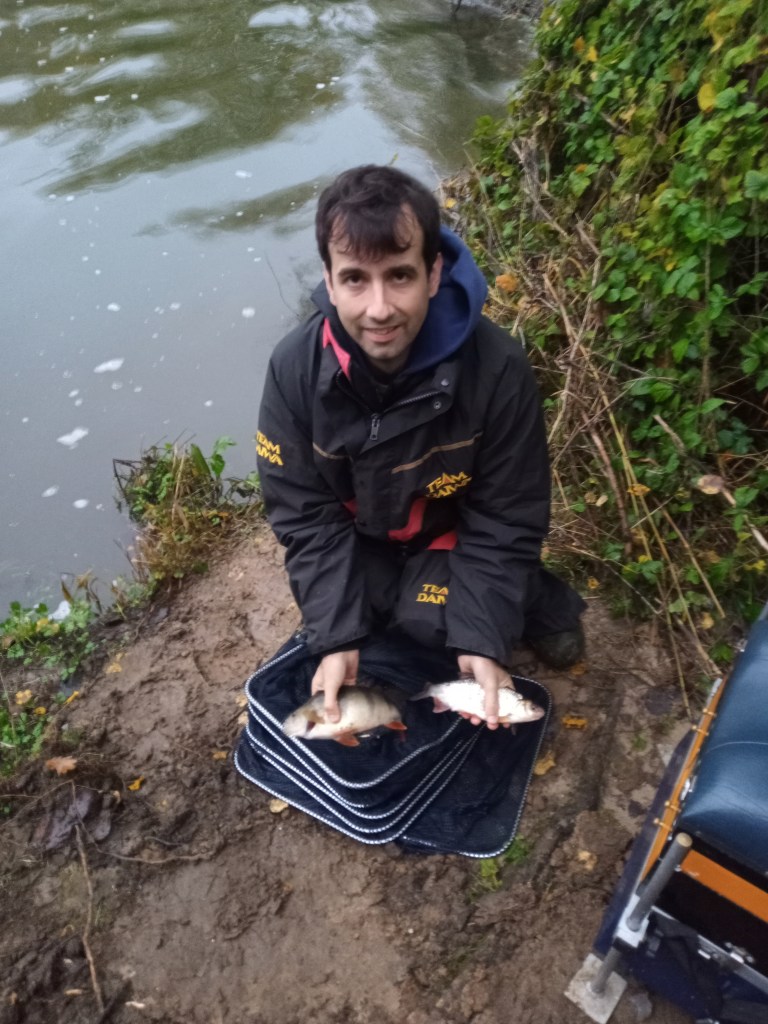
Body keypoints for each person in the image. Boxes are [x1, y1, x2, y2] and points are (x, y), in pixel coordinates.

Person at [257, 165, 585, 731]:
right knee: (366, 629)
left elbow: (506, 517)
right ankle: (416, 611)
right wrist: (336, 637)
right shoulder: (293, 370)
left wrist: (481, 639)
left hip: (452, 533)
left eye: (400, 276)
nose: (379, 308)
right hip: (369, 540)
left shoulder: (498, 368)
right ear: (329, 281)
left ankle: (538, 604)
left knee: (440, 625)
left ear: (433, 273)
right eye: (355, 279)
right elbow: (305, 519)